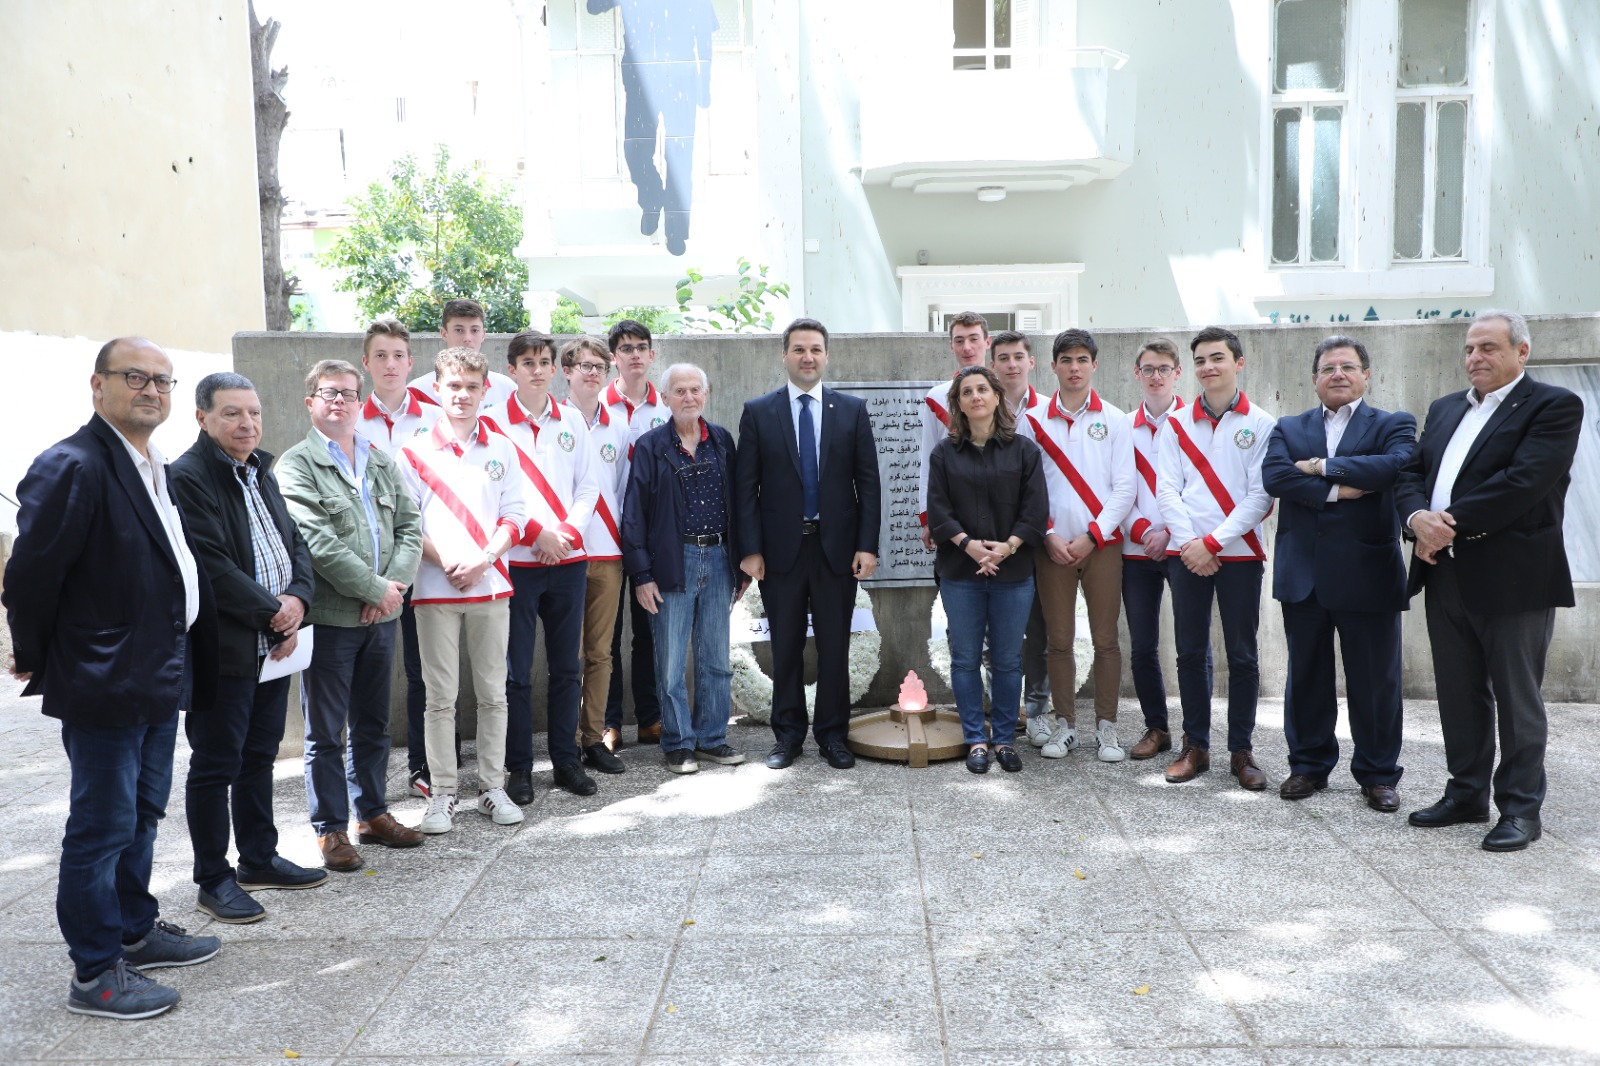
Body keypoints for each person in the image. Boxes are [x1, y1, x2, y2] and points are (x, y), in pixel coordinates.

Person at [4, 337, 221, 1019]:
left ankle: (134, 927)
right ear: (98, 386)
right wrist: (37, 655)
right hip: (104, 679)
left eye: (162, 380)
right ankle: (96, 971)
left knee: (144, 812)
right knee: (101, 826)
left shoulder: (150, 462)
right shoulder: (73, 464)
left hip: (158, 673)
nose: (152, 390)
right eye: (136, 377)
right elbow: (31, 577)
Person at [1395, 310, 1583, 851]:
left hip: (1514, 577)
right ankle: (1466, 794)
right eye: (1470, 349)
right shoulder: (1447, 407)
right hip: (1445, 570)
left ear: (1521, 352)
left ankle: (1521, 810)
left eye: (1489, 348)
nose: (1475, 358)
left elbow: (1524, 482)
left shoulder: (1552, 406)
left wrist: (1442, 525)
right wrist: (1415, 520)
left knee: (1516, 696)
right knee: (1458, 692)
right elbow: (1413, 473)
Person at [169, 373, 324, 924]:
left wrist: (299, 600)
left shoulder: (263, 469)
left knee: (259, 756)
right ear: (202, 418)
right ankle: (214, 878)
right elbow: (210, 564)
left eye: (254, 413)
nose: (247, 424)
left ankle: (259, 857)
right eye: (232, 414)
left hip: (276, 643)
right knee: (216, 764)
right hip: (228, 647)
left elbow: (295, 542)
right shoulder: (186, 477)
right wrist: (273, 612)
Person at [277, 359, 426, 871]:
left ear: (360, 401)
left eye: (347, 393)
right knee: (325, 732)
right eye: (328, 392)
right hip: (334, 618)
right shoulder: (295, 465)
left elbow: (410, 525)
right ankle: (331, 830)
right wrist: (373, 588)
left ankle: (372, 813)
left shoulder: (380, 460)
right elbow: (317, 542)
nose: (339, 400)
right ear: (310, 403)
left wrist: (390, 591)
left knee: (374, 724)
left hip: (380, 618)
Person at [1262, 337, 1415, 813]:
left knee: (1375, 681)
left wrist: (1322, 466)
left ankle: (1377, 774)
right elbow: (1275, 478)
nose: (1338, 374)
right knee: (1306, 676)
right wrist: (1337, 491)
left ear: (1367, 375)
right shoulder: (1289, 426)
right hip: (1303, 574)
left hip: (1367, 573)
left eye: (1349, 367)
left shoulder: (1394, 424)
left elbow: (1393, 466)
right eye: (1328, 368)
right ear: (1314, 379)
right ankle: (1308, 766)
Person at [734, 318, 882, 770]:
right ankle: (788, 737)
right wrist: (751, 550)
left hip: (836, 551)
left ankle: (834, 736)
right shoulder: (759, 411)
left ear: (826, 355)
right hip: (781, 553)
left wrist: (867, 546)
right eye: (799, 349)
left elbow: (869, 483)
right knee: (786, 648)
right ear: (784, 356)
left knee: (835, 647)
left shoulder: (851, 410)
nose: (808, 357)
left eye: (816, 349)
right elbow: (746, 488)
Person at [398, 348, 528, 834]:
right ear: (437, 388)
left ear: (485, 391)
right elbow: (405, 522)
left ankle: (492, 789)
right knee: (439, 698)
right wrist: (446, 561)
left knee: (495, 694)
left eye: (472, 386)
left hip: (491, 587)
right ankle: (443, 794)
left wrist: (483, 559)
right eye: (454, 385)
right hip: (433, 591)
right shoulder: (412, 451)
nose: (463, 394)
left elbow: (515, 516)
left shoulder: (503, 448)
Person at [481, 331, 601, 802]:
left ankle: (566, 762)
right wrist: (537, 536)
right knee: (515, 673)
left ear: (555, 368)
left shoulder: (571, 419)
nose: (536, 369)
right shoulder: (491, 424)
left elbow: (588, 489)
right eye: (527, 361)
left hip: (568, 561)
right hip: (516, 563)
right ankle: (520, 769)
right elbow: (493, 496)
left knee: (567, 669)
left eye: (544, 361)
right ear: (510, 369)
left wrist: (565, 537)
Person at [1155, 327, 1277, 790]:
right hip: (1186, 555)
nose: (1209, 367)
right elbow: (1167, 488)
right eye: (1201, 360)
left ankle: (1241, 751)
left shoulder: (1262, 424)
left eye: (1218, 358)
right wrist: (1191, 544)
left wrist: (1213, 542)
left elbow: (1260, 496)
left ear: (1238, 363)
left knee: (1243, 655)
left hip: (1240, 554)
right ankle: (1196, 746)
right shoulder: (1176, 424)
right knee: (1190, 652)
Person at [620, 363, 746, 773]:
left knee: (716, 658)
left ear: (706, 394)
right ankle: (677, 742)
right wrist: (641, 575)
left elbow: (742, 505)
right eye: (680, 391)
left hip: (719, 559)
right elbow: (633, 515)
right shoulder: (651, 445)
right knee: (671, 662)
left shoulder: (723, 441)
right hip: (673, 563)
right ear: (666, 397)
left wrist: (742, 563)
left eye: (695, 389)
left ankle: (711, 737)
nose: (688, 397)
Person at [927, 366, 1049, 774]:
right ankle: (975, 739)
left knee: (1008, 660)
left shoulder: (1024, 451)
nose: (976, 396)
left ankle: (1003, 739)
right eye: (967, 392)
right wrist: (970, 545)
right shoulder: (944, 453)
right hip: (960, 573)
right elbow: (939, 511)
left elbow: (1035, 511)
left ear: (997, 397)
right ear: (958, 403)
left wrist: (1007, 547)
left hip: (1012, 574)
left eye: (983, 389)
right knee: (964, 659)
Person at [1024, 329, 1136, 762]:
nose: (1074, 368)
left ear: (1094, 365)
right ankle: (1065, 726)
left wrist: (1093, 536)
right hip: (1051, 547)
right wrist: (1048, 533)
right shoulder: (1032, 420)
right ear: (1052, 366)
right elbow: (1026, 487)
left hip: (1101, 546)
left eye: (1082, 360)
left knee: (1106, 640)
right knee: (1058, 641)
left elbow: (1124, 488)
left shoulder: (1115, 419)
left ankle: (1107, 728)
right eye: (1066, 360)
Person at [357, 315, 445, 801]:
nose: (390, 365)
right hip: (366, 565)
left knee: (424, 670)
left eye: (398, 357)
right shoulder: (352, 415)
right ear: (365, 362)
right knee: (369, 675)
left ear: (412, 363)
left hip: (423, 558)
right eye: (380, 356)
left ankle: (427, 764)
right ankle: (364, 782)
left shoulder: (434, 415)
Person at [588, 0, 719, 255]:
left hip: (680, 79)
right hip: (641, 79)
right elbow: (593, 6)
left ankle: (676, 228)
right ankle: (651, 199)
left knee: (680, 156)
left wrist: (705, 83)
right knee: (635, 150)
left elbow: (704, 36)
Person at [559, 336, 632, 776]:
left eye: (599, 368)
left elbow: (622, 490)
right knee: (566, 654)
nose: (591, 373)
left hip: (607, 553)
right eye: (582, 366)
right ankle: (565, 741)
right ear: (566, 371)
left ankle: (594, 738)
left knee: (601, 653)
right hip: (563, 554)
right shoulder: (554, 424)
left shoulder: (618, 426)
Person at [1119, 340, 1192, 760]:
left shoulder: (1192, 423)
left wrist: (1169, 531)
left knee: (1189, 645)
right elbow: (1116, 486)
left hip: (1183, 546)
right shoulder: (1121, 426)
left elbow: (1197, 489)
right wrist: (1143, 527)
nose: (1156, 376)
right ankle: (1156, 727)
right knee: (1143, 644)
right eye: (1148, 369)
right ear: (1137, 373)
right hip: (1136, 549)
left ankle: (1193, 734)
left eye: (1164, 368)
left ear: (1177, 373)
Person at [603, 319, 667, 748]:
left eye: (642, 347)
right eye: (626, 348)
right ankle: (608, 721)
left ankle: (649, 717)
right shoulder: (594, 405)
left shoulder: (666, 409)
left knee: (649, 631)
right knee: (604, 634)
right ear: (614, 358)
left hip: (650, 537)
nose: (635, 355)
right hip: (604, 535)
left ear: (652, 354)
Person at [989, 330, 1053, 741]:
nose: (1012, 365)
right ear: (992, 364)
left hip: (1038, 535)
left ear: (1031, 362)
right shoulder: (979, 407)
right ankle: (1003, 708)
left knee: (1039, 629)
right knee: (995, 632)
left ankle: (1038, 709)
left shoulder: (1049, 411)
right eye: (1004, 358)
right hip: (989, 537)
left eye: (1019, 357)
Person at [917, 311, 991, 551]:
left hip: (1000, 511)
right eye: (959, 341)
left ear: (987, 342)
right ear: (951, 346)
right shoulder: (936, 397)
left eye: (974, 339)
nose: (967, 347)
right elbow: (928, 458)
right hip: (952, 513)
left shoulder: (1002, 393)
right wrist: (927, 518)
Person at [406, 297, 517, 408]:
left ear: (483, 334)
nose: (467, 338)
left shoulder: (506, 389)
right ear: (444, 333)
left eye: (474, 330)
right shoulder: (418, 391)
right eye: (459, 330)